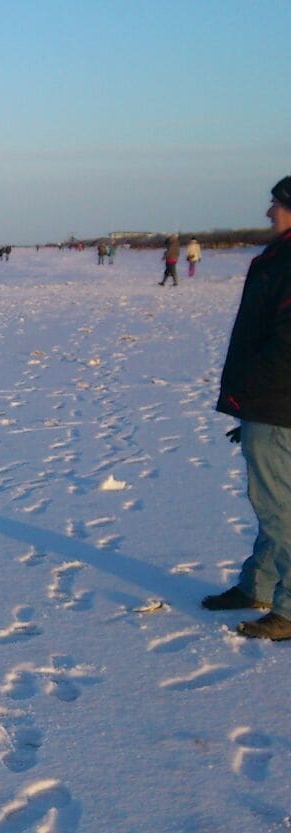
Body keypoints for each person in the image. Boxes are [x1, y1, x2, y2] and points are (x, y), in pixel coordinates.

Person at [201, 176, 291, 640]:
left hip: (276, 406)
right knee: (273, 503)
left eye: (275, 204)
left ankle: (288, 609)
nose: (268, 213)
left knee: (279, 509)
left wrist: (253, 395)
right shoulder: (279, 258)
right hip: (267, 403)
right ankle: (259, 585)